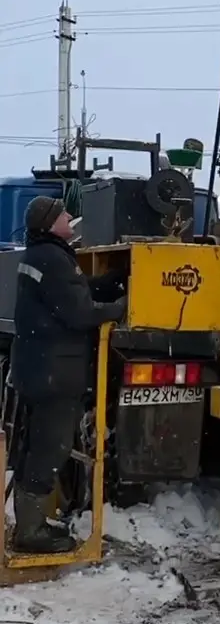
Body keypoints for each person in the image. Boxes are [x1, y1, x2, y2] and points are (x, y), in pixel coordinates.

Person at [10, 196, 126, 554]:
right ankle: (30, 532)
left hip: (40, 368)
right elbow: (79, 312)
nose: (70, 218)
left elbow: (72, 293)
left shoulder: (43, 255)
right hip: (55, 374)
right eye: (63, 214)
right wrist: (123, 306)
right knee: (52, 447)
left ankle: (32, 521)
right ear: (49, 224)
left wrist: (108, 281)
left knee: (37, 445)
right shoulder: (54, 259)